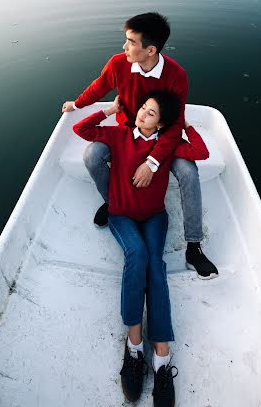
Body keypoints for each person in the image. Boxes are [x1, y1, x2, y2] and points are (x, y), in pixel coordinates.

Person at [73, 91, 210, 405]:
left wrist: (186, 125)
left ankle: (162, 356)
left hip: (153, 219)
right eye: (144, 109)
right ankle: (134, 345)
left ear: (161, 123)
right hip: (121, 216)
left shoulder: (166, 145)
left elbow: (200, 152)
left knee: (155, 267)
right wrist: (108, 110)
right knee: (137, 255)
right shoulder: (120, 135)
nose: (143, 114)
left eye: (151, 113)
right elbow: (81, 130)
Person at [62, 12, 218, 280]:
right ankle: (114, 204)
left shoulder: (176, 75)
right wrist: (76, 104)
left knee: (189, 173)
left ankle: (193, 246)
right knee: (92, 155)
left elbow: (176, 122)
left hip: (164, 136)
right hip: (126, 132)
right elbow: (98, 88)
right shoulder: (118, 64)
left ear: (151, 50)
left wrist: (152, 162)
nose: (124, 47)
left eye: (130, 42)